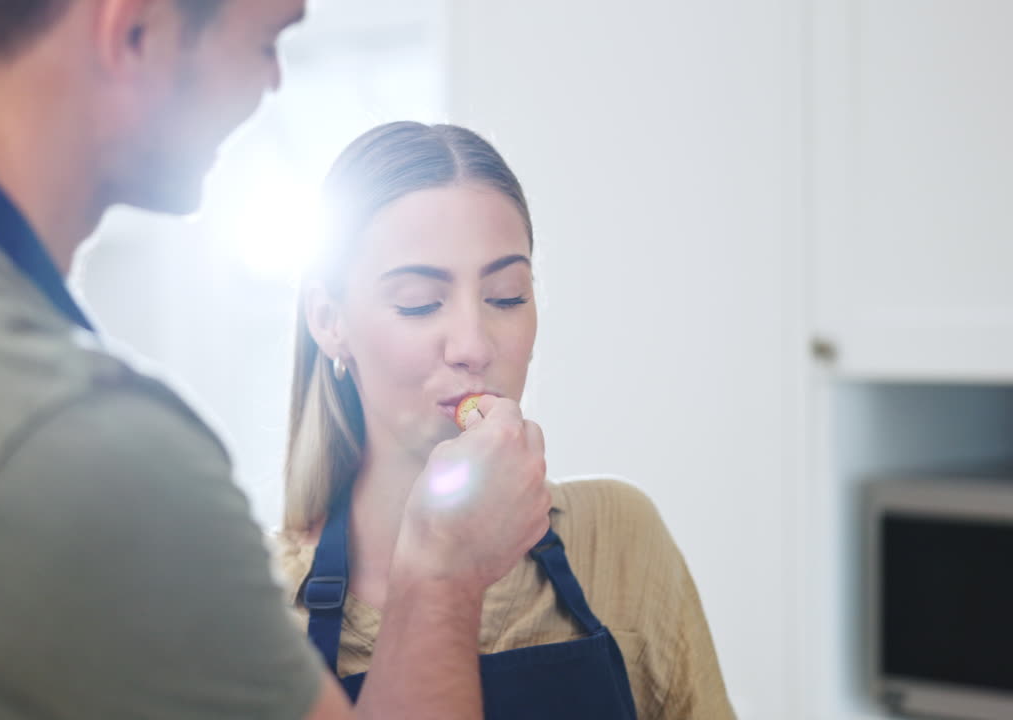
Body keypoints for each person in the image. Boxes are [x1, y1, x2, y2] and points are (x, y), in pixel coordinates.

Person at [0, 3, 554, 718]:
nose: (270, 83)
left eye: (506, 295)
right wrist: (444, 579)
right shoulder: (89, 448)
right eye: (266, 39)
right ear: (133, 31)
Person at [276, 121, 738, 718]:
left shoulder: (624, 539)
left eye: (507, 296)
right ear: (329, 321)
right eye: (419, 302)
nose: (473, 345)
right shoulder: (253, 609)